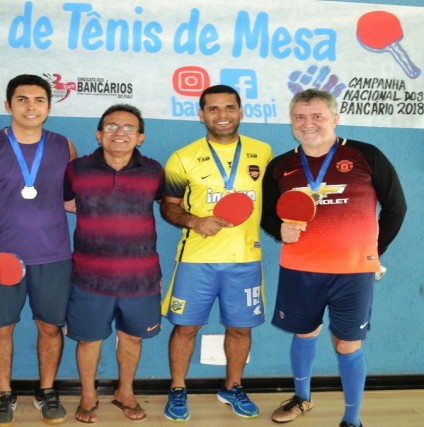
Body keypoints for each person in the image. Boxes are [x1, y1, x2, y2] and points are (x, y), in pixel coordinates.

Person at [261, 89, 406, 427]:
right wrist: (277, 230)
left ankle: (352, 419)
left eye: (317, 116)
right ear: (292, 121)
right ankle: (302, 399)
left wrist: (373, 251)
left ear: (335, 119)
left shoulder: (365, 155)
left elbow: (396, 208)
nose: (307, 123)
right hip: (299, 270)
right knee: (304, 334)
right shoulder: (281, 165)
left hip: (352, 273)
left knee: (347, 343)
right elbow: (268, 215)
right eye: (299, 117)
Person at [0, 74, 77, 427]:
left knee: (51, 329)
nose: (31, 106)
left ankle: (46, 390)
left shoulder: (63, 146)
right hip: (1, 258)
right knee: (0, 330)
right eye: (22, 99)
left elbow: (71, 199)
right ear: (8, 104)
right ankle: (3, 394)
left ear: (49, 106)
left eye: (39, 100)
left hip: (54, 256)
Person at [160, 85, 272, 421]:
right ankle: (178, 388)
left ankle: (232, 386)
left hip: (245, 260)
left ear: (241, 111)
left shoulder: (263, 152)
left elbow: (273, 202)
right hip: (196, 260)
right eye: (213, 109)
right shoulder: (182, 157)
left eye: (229, 107)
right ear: (201, 114)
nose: (222, 115)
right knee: (185, 328)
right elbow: (168, 207)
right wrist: (194, 220)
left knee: (240, 329)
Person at [64, 104, 164, 424]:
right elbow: (62, 201)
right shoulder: (76, 169)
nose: (119, 132)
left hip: (141, 278)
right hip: (90, 277)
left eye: (128, 128)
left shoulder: (154, 171)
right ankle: (88, 395)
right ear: (98, 134)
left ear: (140, 137)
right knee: (89, 339)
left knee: (132, 338)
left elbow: (171, 206)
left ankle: (125, 393)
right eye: (111, 127)